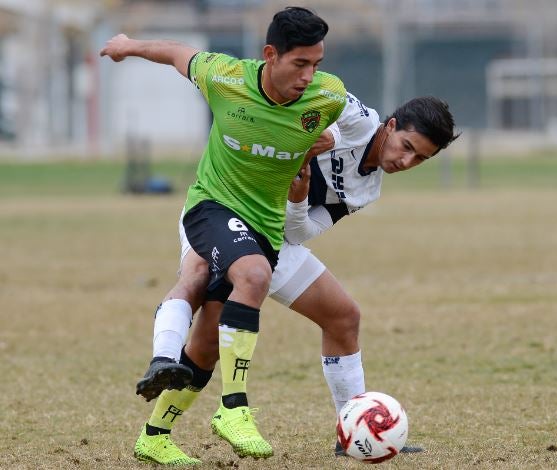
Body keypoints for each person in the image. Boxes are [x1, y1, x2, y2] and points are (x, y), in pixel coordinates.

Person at [137, 93, 459, 464]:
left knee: (343, 316)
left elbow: (301, 231)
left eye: (420, 159)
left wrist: (298, 199)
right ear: (391, 126)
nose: (406, 161)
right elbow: (309, 106)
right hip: (228, 211)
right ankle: (158, 430)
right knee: (206, 338)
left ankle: (351, 429)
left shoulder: (365, 189)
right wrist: (327, 136)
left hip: (276, 238)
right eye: (407, 147)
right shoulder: (354, 116)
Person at [100, 6, 348, 466]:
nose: (309, 75)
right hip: (211, 206)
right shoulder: (225, 76)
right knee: (252, 276)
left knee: (208, 343)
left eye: (317, 64)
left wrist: (327, 137)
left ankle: (154, 436)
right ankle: (234, 409)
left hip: (266, 225)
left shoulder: (327, 95)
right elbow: (175, 51)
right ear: (270, 55)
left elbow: (337, 125)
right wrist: (127, 46)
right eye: (300, 64)